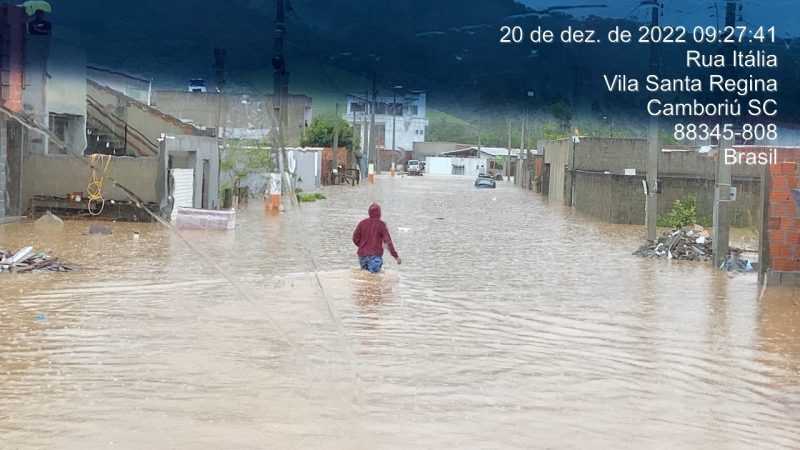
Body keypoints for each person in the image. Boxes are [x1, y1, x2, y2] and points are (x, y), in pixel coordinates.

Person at [352, 203, 401, 273]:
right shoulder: (381, 224)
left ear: (369, 212)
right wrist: (396, 256)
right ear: (379, 213)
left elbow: (355, 238)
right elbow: (388, 242)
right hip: (375, 256)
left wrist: (362, 246)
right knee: (374, 278)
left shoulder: (362, 223)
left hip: (362, 256)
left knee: (365, 278)